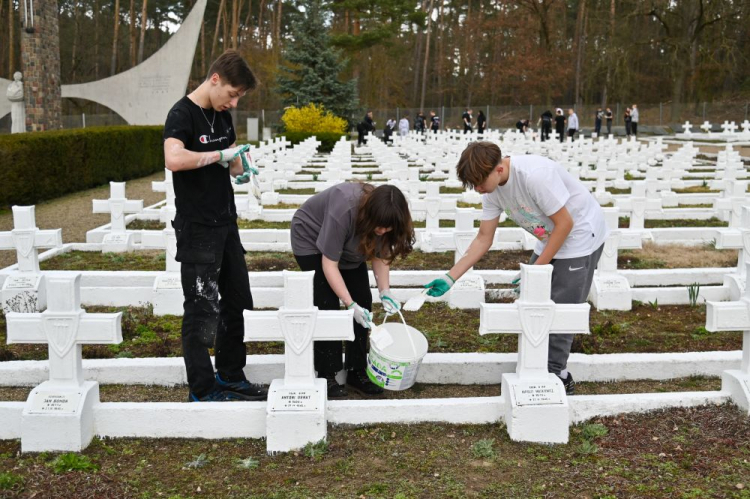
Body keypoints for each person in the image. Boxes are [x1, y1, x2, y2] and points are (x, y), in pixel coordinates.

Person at [422, 141, 608, 394]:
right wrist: (451, 276)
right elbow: (483, 238)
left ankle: (557, 374)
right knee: (533, 299)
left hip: (581, 236)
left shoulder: (534, 176)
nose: (477, 189)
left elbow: (565, 224)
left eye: (479, 182)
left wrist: (536, 270)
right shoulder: (491, 191)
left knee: (563, 305)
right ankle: (535, 361)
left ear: (499, 169)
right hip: (549, 237)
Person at [163, 50, 268, 402]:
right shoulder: (182, 114)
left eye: (240, 96)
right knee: (201, 307)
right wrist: (218, 156)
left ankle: (231, 375)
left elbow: (231, 162)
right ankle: (203, 389)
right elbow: (174, 158)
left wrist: (241, 163)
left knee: (235, 300)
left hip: (226, 222)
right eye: (233, 93)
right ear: (215, 80)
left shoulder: (222, 117)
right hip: (197, 227)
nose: (235, 103)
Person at [291, 183, 415, 398]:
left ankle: (356, 370)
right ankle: (327, 373)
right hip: (311, 237)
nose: (383, 231)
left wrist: (384, 291)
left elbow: (381, 253)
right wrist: (349, 304)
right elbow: (329, 265)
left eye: (388, 228)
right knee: (327, 302)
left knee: (363, 300)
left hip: (350, 245)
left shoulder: (388, 216)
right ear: (370, 214)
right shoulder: (345, 208)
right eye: (380, 227)